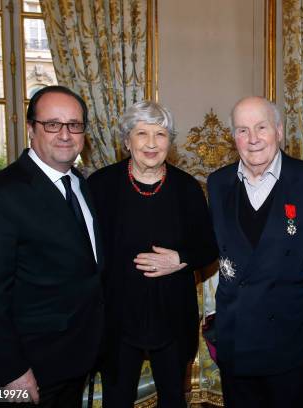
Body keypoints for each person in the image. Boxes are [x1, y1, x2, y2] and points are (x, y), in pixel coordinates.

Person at [0, 85, 103, 407]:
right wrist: (12, 370)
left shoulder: (80, 183)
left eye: (74, 125)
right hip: (30, 368)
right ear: (31, 129)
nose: (65, 134)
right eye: (52, 124)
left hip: (78, 356)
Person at [88, 101, 217, 408]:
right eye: (141, 133)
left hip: (172, 317)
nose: (150, 143)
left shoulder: (187, 188)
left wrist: (180, 259)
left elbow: (208, 246)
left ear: (169, 143)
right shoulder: (100, 186)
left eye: (160, 134)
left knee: (173, 400)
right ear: (125, 140)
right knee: (117, 400)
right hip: (117, 319)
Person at [207, 96, 303, 407]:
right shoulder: (218, 183)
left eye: (261, 127)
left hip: (288, 334)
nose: (253, 139)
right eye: (242, 130)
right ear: (232, 137)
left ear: (279, 130)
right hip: (236, 334)